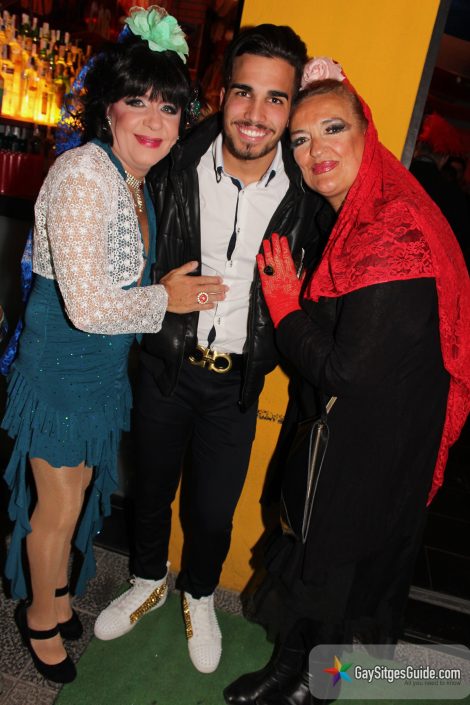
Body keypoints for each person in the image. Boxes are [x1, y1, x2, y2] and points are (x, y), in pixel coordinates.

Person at [224, 59, 470, 705]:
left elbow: (346, 370)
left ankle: (318, 683)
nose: (316, 151)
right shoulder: (359, 212)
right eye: (301, 139)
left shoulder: (390, 229)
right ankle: (293, 666)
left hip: (375, 438)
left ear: (368, 131)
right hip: (359, 428)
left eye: (333, 129)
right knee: (320, 557)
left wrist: (285, 305)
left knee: (335, 564)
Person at [94, 24, 332, 674]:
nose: (256, 113)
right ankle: (148, 579)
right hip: (165, 367)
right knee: (150, 491)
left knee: (212, 511)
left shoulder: (307, 192)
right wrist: (153, 297)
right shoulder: (174, 161)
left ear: (291, 107)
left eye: (276, 98)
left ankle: (198, 593)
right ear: (221, 92)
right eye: (244, 92)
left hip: (237, 383)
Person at [1, 6, 227, 684]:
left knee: (75, 494)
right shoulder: (82, 176)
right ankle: (39, 617)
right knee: (56, 508)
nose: (154, 119)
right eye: (138, 101)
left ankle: (57, 597)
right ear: (108, 109)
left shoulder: (131, 178)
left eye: (169, 106)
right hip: (61, 368)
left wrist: (162, 291)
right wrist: (168, 299)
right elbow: (90, 305)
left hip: (100, 368)